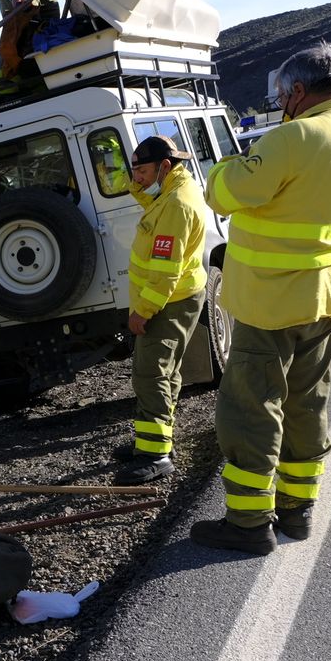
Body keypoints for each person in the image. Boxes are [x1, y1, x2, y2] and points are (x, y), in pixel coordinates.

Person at [192, 41, 331, 554]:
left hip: (266, 304)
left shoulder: (291, 138)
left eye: (283, 93)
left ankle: (248, 523)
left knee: (252, 408)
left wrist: (219, 170)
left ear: (298, 91)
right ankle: (297, 513)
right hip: (325, 300)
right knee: (309, 404)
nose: (282, 101)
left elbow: (224, 193)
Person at [113, 135, 208, 486]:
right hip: (172, 298)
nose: (136, 177)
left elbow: (166, 270)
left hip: (168, 301)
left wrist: (143, 312)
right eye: (134, 170)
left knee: (151, 374)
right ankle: (153, 440)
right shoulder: (170, 192)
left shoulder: (176, 205)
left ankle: (155, 456)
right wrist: (139, 182)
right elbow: (149, 204)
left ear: (165, 167)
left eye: (142, 170)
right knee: (164, 373)